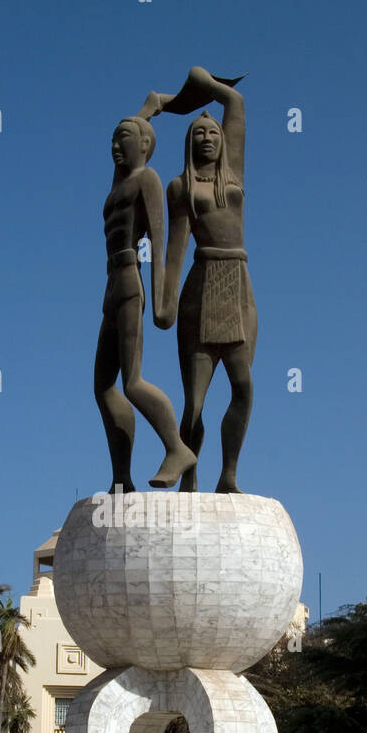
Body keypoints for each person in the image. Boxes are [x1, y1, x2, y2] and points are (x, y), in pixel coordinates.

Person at [142, 67, 254, 493]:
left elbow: (234, 102)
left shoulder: (234, 175)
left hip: (239, 283)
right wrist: (164, 304)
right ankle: (189, 476)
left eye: (212, 132)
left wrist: (176, 95)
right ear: (189, 145)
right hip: (201, 287)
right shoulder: (180, 189)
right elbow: (175, 250)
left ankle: (228, 475)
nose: (207, 137)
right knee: (195, 402)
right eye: (197, 133)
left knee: (243, 386)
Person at [94, 113, 196, 492]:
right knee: (103, 386)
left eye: (124, 139)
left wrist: (160, 300)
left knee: (132, 381)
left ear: (146, 146)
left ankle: (177, 449)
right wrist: (146, 110)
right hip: (111, 284)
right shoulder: (119, 184)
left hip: (130, 281)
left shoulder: (147, 179)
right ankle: (122, 478)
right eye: (112, 141)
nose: (116, 147)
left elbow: (158, 238)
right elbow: (134, 134)